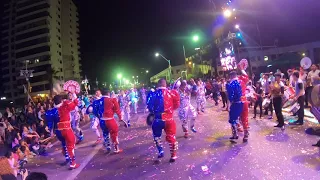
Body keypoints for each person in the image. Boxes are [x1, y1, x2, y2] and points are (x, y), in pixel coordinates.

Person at [147, 78, 180, 162]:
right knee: (172, 137)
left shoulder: (153, 94)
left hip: (158, 119)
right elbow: (176, 105)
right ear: (165, 85)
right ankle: (173, 156)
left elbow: (150, 107)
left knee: (157, 137)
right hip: (169, 119)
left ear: (158, 85)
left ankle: (160, 151)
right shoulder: (172, 93)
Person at [90, 89, 127, 153]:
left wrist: (99, 118)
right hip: (110, 120)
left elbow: (94, 112)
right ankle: (116, 149)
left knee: (105, 133)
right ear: (108, 93)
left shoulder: (97, 101)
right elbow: (117, 110)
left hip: (102, 121)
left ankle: (108, 147)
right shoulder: (112, 100)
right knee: (114, 134)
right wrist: (120, 118)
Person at [53, 93, 80, 169]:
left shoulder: (52, 111)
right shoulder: (64, 106)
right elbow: (75, 104)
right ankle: (72, 163)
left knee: (64, 144)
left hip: (58, 131)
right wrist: (74, 97)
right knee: (71, 145)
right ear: (61, 100)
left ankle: (67, 158)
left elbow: (50, 123)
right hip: (66, 129)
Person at [226, 71, 243, 141]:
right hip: (241, 103)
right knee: (238, 118)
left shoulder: (232, 84)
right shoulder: (240, 82)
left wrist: (230, 102)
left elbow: (230, 96)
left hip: (235, 103)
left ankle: (235, 135)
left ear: (231, 76)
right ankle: (240, 132)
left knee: (232, 119)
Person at [238, 67, 250, 142]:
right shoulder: (242, 80)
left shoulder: (232, 82)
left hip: (237, 102)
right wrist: (242, 69)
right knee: (244, 117)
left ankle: (236, 132)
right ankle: (246, 132)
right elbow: (247, 77)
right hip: (244, 100)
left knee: (235, 117)